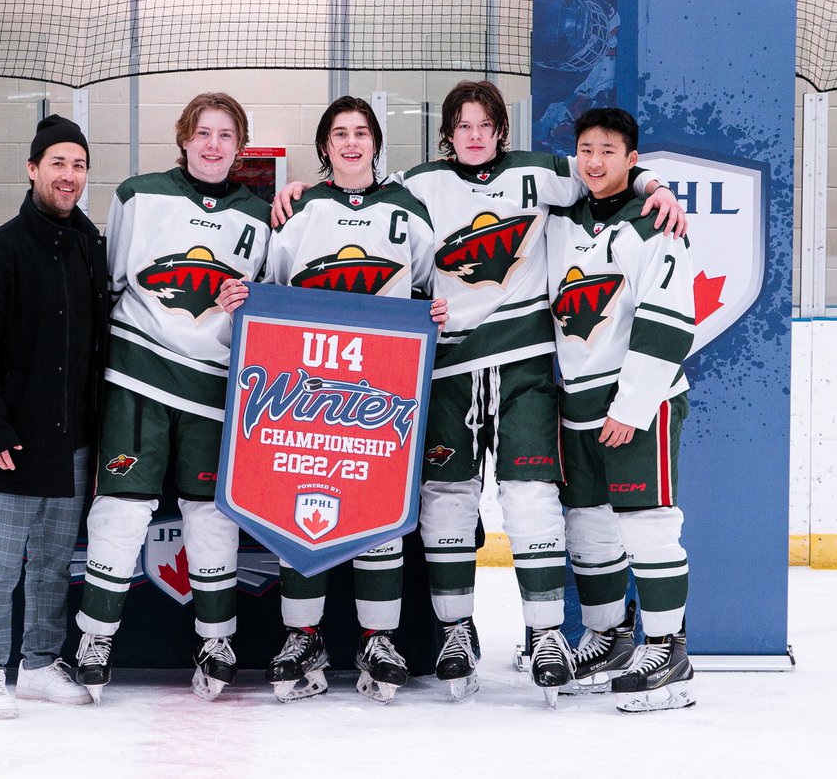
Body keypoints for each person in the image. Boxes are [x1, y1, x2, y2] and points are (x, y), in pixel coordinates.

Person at [274, 80, 685, 704]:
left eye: (485, 125)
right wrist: (305, 189)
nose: (474, 135)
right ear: (448, 133)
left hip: (525, 366)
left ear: (500, 130)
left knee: (531, 498)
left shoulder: (541, 174)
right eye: (462, 125)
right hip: (449, 368)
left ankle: (546, 634)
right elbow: (359, 195)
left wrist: (657, 186)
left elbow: (605, 169)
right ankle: (455, 631)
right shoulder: (418, 185)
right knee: (446, 499)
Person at [219, 97, 447, 704]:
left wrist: (434, 314)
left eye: (361, 133)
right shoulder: (300, 208)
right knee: (300, 500)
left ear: (375, 143)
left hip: (382, 387)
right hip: (309, 385)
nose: (351, 143)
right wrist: (245, 301)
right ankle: (303, 637)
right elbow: (272, 288)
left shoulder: (407, 209)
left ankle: (379, 639)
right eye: (340, 134)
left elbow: (429, 286)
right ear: (324, 146)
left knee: (378, 504)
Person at [74, 93, 271, 702]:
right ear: (184, 138)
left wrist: (248, 304)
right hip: (138, 377)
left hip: (214, 386)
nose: (213, 145)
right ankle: (95, 638)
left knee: (211, 512)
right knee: (122, 506)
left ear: (240, 147)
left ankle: (216, 641)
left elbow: (268, 310)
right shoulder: (139, 195)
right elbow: (109, 283)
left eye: (226, 135)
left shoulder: (259, 216)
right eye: (203, 133)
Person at [0, 114, 107, 719]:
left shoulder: (90, 247)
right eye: (58, 163)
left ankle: (40, 663)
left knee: (51, 563)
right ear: (33, 169)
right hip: (12, 442)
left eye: (79, 165)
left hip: (72, 442)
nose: (69, 176)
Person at [546, 107, 695, 712]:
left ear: (632, 159)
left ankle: (667, 651)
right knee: (588, 526)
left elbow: (669, 322)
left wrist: (633, 406)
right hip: (577, 403)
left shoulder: (655, 224)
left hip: (638, 403)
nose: (594, 161)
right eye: (586, 149)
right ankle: (608, 638)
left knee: (647, 523)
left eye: (609, 151)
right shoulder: (562, 220)